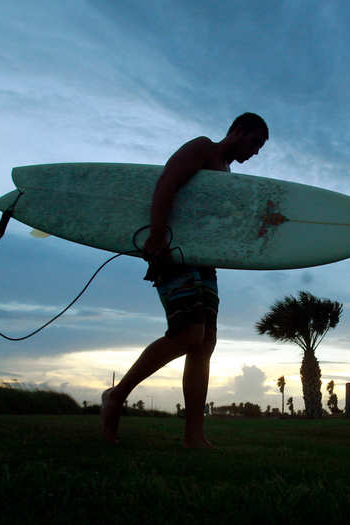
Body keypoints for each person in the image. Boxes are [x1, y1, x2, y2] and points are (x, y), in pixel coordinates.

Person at [101, 113, 268, 448]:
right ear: (236, 131)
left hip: (203, 262)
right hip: (172, 251)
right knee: (188, 334)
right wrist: (158, 233)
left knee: (204, 345)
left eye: (260, 148)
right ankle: (116, 395)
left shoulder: (225, 171)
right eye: (254, 143)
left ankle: (194, 435)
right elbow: (167, 182)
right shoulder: (203, 149)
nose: (256, 152)